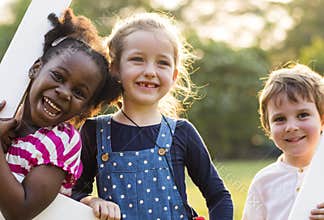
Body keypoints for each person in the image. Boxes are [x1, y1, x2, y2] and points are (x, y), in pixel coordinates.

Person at [72, 12, 233, 220]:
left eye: (162, 63)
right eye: (137, 59)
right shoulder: (94, 132)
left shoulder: (182, 133)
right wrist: (91, 201)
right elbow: (73, 192)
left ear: (174, 76)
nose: (150, 71)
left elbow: (219, 196)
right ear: (115, 69)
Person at [0, 8, 120, 220]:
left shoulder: (61, 142)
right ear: (37, 68)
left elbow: (20, 211)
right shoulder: (7, 117)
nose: (64, 93)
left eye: (79, 93)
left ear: (85, 108)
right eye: (58, 76)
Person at [242, 63, 324, 220]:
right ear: (268, 128)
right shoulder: (263, 182)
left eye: (302, 115)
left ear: (321, 119)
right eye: (280, 119)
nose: (291, 127)